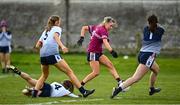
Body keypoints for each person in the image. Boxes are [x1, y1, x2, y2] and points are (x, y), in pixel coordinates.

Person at [33, 15, 95, 98]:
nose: (60, 23)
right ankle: (83, 92)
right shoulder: (57, 28)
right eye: (59, 21)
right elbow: (55, 37)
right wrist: (62, 46)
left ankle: (34, 93)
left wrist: (44, 50)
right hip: (52, 54)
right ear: (57, 22)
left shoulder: (46, 30)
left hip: (43, 55)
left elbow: (38, 45)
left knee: (44, 75)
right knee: (69, 72)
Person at [111, 14, 165, 98]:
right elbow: (158, 28)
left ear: (148, 22)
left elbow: (151, 28)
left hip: (142, 54)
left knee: (156, 70)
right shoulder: (161, 30)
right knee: (136, 78)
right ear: (157, 22)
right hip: (148, 56)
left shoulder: (145, 29)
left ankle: (152, 89)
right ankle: (118, 89)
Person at [77, 16, 123, 87]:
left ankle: (120, 82)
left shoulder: (96, 27)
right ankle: (80, 85)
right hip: (93, 52)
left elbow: (84, 28)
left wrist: (82, 37)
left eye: (112, 27)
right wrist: (112, 51)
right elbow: (105, 42)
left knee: (110, 65)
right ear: (106, 23)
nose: (111, 28)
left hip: (98, 52)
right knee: (96, 72)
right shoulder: (103, 30)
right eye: (110, 26)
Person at [8, 65, 80, 98]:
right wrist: (78, 96)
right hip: (48, 93)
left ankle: (18, 72)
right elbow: (74, 96)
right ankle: (30, 90)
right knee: (27, 92)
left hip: (47, 85)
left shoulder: (56, 83)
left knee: (30, 79)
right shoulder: (66, 92)